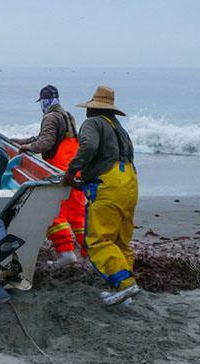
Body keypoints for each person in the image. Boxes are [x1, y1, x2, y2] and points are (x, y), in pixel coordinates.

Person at [62, 86, 140, 306]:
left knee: (98, 241)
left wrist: (71, 172)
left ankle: (125, 284)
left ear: (93, 108)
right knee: (121, 241)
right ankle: (124, 291)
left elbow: (88, 147)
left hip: (109, 185)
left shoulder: (93, 123)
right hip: (130, 182)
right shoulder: (119, 128)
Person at [11, 84, 86, 267]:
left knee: (53, 212)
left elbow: (45, 142)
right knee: (77, 214)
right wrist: (25, 141)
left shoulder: (50, 117)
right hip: (75, 169)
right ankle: (89, 252)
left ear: (44, 101)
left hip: (60, 170)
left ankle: (66, 253)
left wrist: (29, 148)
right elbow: (49, 136)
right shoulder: (67, 115)